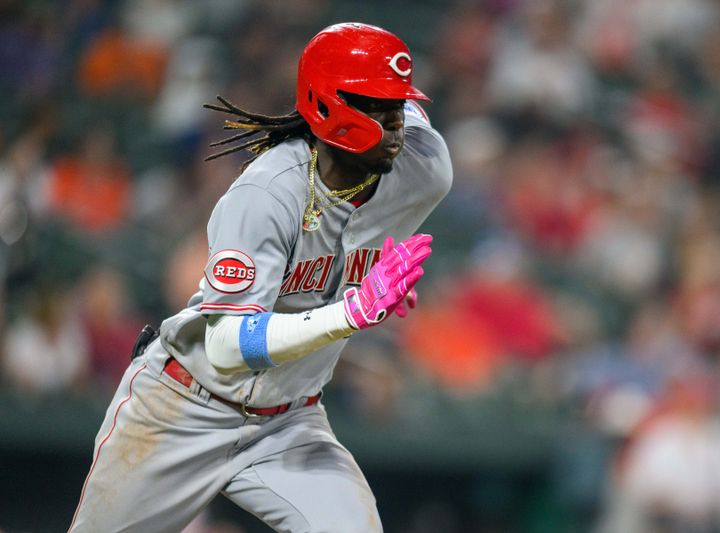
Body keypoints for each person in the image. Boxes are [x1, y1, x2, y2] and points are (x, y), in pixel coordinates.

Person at [69, 22, 452, 532]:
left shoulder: (423, 169)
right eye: (375, 106)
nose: (396, 122)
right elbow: (227, 347)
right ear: (327, 106)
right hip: (184, 406)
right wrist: (350, 310)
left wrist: (360, 275)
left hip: (290, 423)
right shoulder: (268, 192)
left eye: (399, 105)